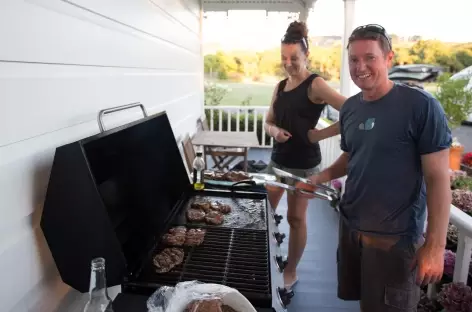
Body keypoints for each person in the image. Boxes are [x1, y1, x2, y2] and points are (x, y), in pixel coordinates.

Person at [301, 24, 452, 311]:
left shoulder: (420, 105)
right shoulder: (351, 108)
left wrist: (435, 245)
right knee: (365, 303)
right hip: (351, 228)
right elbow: (352, 156)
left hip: (393, 241)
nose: (361, 67)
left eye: (370, 57)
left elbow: (437, 178)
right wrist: (319, 177)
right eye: (354, 60)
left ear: (389, 58)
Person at [263, 21, 346, 290]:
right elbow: (268, 120)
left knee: (296, 219)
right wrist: (274, 131)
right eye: (284, 58)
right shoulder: (279, 86)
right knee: (264, 211)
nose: (288, 63)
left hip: (305, 166)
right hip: (278, 161)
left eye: (294, 58)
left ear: (306, 55)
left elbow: (353, 113)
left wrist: (318, 135)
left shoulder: (316, 84)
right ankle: (267, 254)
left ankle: (291, 270)